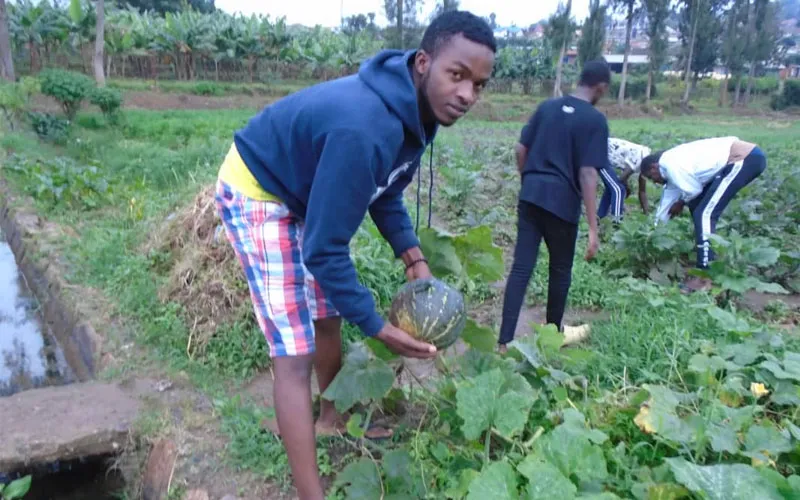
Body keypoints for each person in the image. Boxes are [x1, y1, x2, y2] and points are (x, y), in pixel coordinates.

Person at [213, 11, 496, 500]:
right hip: (259, 190)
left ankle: (332, 417)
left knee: (328, 316)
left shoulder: (417, 114)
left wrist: (414, 259)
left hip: (305, 190)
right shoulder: (366, 128)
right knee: (294, 353)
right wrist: (378, 326)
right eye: (457, 75)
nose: (467, 94)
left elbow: (385, 191)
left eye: (479, 84)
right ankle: (311, 493)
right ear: (423, 62)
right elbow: (324, 250)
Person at [497, 60, 612, 353]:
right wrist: (593, 228)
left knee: (521, 267)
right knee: (560, 270)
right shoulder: (595, 120)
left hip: (531, 195)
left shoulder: (547, 107)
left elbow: (520, 149)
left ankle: (504, 341)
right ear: (601, 87)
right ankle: (551, 338)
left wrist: (529, 181)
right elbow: (588, 174)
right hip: (562, 203)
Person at [639, 137, 767, 292]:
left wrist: (681, 202)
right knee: (697, 206)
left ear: (654, 167)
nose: (655, 182)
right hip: (741, 158)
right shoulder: (670, 172)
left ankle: (704, 275)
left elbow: (693, 190)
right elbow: (664, 211)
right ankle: (706, 254)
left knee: (704, 214)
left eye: (652, 177)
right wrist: (652, 236)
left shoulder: (670, 164)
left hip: (743, 158)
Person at [598, 137, 653, 222]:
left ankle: (599, 217)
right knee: (619, 189)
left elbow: (642, 191)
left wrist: (647, 215)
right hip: (598, 152)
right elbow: (622, 178)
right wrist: (627, 188)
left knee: (612, 188)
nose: (651, 178)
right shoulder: (638, 159)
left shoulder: (646, 162)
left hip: (602, 153)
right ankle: (617, 221)